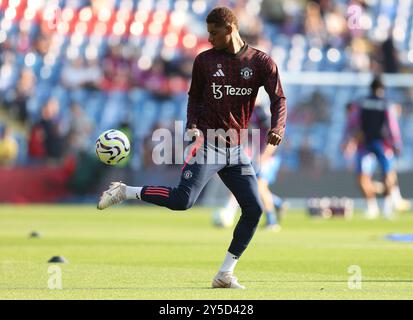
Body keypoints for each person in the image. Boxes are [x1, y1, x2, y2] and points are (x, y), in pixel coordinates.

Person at [97, 7, 287, 289]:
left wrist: (277, 127)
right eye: (208, 32)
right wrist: (192, 125)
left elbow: (278, 98)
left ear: (231, 28)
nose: (209, 38)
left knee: (253, 209)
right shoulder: (205, 61)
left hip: (235, 149)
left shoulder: (260, 62)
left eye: (214, 33)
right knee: (182, 201)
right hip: (208, 142)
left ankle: (225, 274)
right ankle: (125, 191)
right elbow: (194, 97)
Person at [212, 105, 286, 231]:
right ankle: (277, 203)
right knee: (247, 184)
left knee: (260, 185)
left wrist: (265, 155)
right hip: (254, 154)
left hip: (269, 154)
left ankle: (271, 222)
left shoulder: (261, 112)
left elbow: (275, 132)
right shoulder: (241, 111)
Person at [342, 76, 402, 219]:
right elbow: (392, 125)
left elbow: (352, 122)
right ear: (381, 89)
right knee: (388, 173)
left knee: (362, 176)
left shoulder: (362, 103)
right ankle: (387, 207)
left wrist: (348, 139)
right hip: (382, 144)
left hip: (365, 143)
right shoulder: (386, 103)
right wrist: (396, 143)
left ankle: (372, 206)